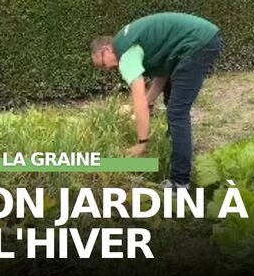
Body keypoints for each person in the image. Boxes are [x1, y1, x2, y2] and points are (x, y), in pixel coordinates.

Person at [91, 12, 223, 191]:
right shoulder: (131, 39)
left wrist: (142, 143)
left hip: (197, 42)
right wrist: (150, 101)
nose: (108, 69)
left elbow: (138, 98)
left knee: (177, 112)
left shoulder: (125, 52)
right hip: (200, 38)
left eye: (103, 64)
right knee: (173, 101)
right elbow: (163, 75)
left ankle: (180, 183)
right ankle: (178, 149)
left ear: (106, 50)